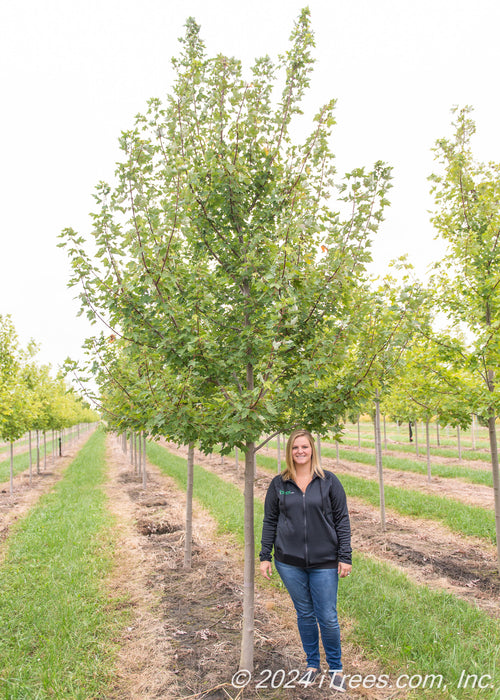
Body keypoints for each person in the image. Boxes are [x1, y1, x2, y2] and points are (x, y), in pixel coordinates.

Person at [259, 429, 352, 692]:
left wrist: (345, 556)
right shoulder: (279, 484)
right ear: (289, 452)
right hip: (289, 562)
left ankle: (336, 668)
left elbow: (342, 519)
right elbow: (270, 521)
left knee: (328, 616)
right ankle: (312, 665)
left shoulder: (328, 481)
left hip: (325, 561)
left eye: (305, 447)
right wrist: (265, 556)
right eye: (295, 448)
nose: (300, 451)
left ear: (313, 450)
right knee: (305, 614)